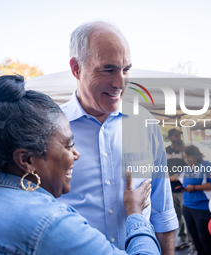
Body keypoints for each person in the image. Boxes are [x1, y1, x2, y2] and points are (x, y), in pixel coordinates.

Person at [0, 75, 159, 255]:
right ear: (26, 160)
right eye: (68, 144)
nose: (76, 154)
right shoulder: (51, 223)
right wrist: (135, 215)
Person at [58, 21, 178, 254]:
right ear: (76, 68)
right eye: (108, 69)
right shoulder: (50, 128)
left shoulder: (145, 122)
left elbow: (162, 211)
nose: (120, 83)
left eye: (126, 69)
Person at [181, 145, 211, 255]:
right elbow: (178, 178)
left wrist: (194, 188)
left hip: (202, 208)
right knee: (195, 238)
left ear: (196, 156)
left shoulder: (205, 165)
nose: (187, 159)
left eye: (189, 157)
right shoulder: (187, 168)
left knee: (206, 239)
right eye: (185, 157)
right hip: (187, 207)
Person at [165, 129, 192, 251]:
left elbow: (192, 167)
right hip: (170, 189)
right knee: (176, 216)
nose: (178, 138)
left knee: (188, 215)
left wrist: (177, 176)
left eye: (179, 136)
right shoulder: (166, 151)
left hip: (184, 188)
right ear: (170, 137)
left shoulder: (185, 151)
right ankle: (182, 239)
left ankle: (192, 242)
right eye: (176, 136)